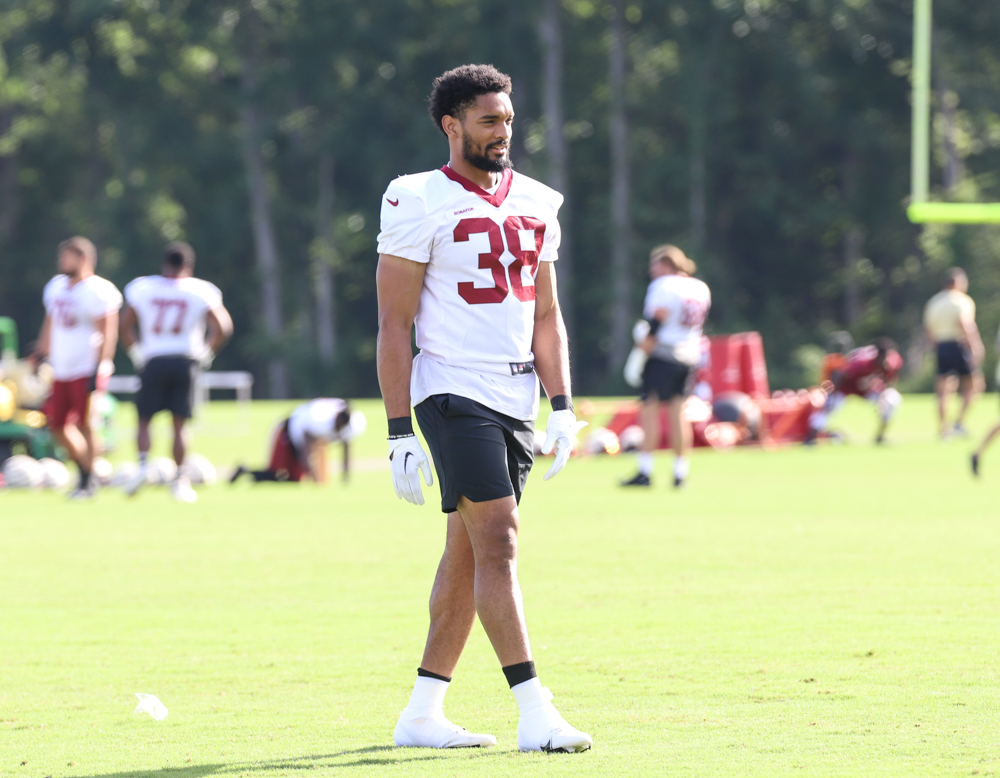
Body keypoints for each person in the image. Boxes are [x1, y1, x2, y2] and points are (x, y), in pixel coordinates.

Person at [375, 64, 591, 753]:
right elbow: (393, 324)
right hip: (451, 388)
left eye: (508, 120)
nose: (503, 132)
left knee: (468, 553)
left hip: (515, 396)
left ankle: (421, 714)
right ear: (452, 125)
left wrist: (562, 406)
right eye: (488, 120)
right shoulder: (416, 197)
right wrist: (398, 430)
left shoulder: (538, 200)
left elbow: (546, 314)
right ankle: (537, 711)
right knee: (500, 540)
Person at [119, 242, 233, 502]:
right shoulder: (200, 289)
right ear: (188, 265)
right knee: (179, 424)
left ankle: (142, 467)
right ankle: (180, 479)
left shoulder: (144, 287)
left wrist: (136, 352)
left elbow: (125, 325)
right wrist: (206, 353)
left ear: (164, 263)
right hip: (185, 359)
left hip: (153, 359)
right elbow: (223, 326)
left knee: (144, 419)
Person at [33, 237, 122, 499]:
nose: (62, 262)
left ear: (83, 259)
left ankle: (87, 479)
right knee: (57, 424)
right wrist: (41, 351)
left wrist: (100, 366)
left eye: (67, 257)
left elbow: (108, 333)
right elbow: (51, 322)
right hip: (61, 367)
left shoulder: (98, 290)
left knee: (87, 424)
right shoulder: (56, 287)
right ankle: (88, 471)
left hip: (86, 367)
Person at [621, 245, 711, 488]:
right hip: (690, 354)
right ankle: (680, 473)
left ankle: (645, 471)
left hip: (663, 354)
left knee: (649, 410)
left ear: (667, 264)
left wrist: (641, 352)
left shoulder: (664, 286)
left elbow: (657, 320)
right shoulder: (700, 287)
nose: (651, 270)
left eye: (655, 264)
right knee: (678, 413)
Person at [229, 398, 365, 484]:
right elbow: (306, 449)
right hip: (288, 431)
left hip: (303, 440)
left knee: (294, 479)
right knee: (275, 471)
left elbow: (346, 448)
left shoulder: (352, 425)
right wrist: (313, 474)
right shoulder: (318, 420)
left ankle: (257, 479)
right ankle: (244, 470)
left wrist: (346, 476)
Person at [923, 267, 984, 439]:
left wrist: (936, 348)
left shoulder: (934, 302)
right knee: (975, 385)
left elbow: (929, 330)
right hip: (958, 345)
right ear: (957, 283)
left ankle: (944, 429)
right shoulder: (961, 301)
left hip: (941, 346)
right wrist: (976, 346)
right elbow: (965, 324)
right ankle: (959, 423)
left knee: (943, 389)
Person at [807, 338, 903, 444]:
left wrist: (882, 398)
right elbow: (840, 375)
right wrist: (833, 395)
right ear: (877, 356)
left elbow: (889, 381)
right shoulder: (861, 362)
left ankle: (880, 436)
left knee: (892, 399)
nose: (884, 361)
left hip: (868, 389)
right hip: (846, 387)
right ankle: (810, 437)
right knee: (830, 407)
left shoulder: (894, 361)